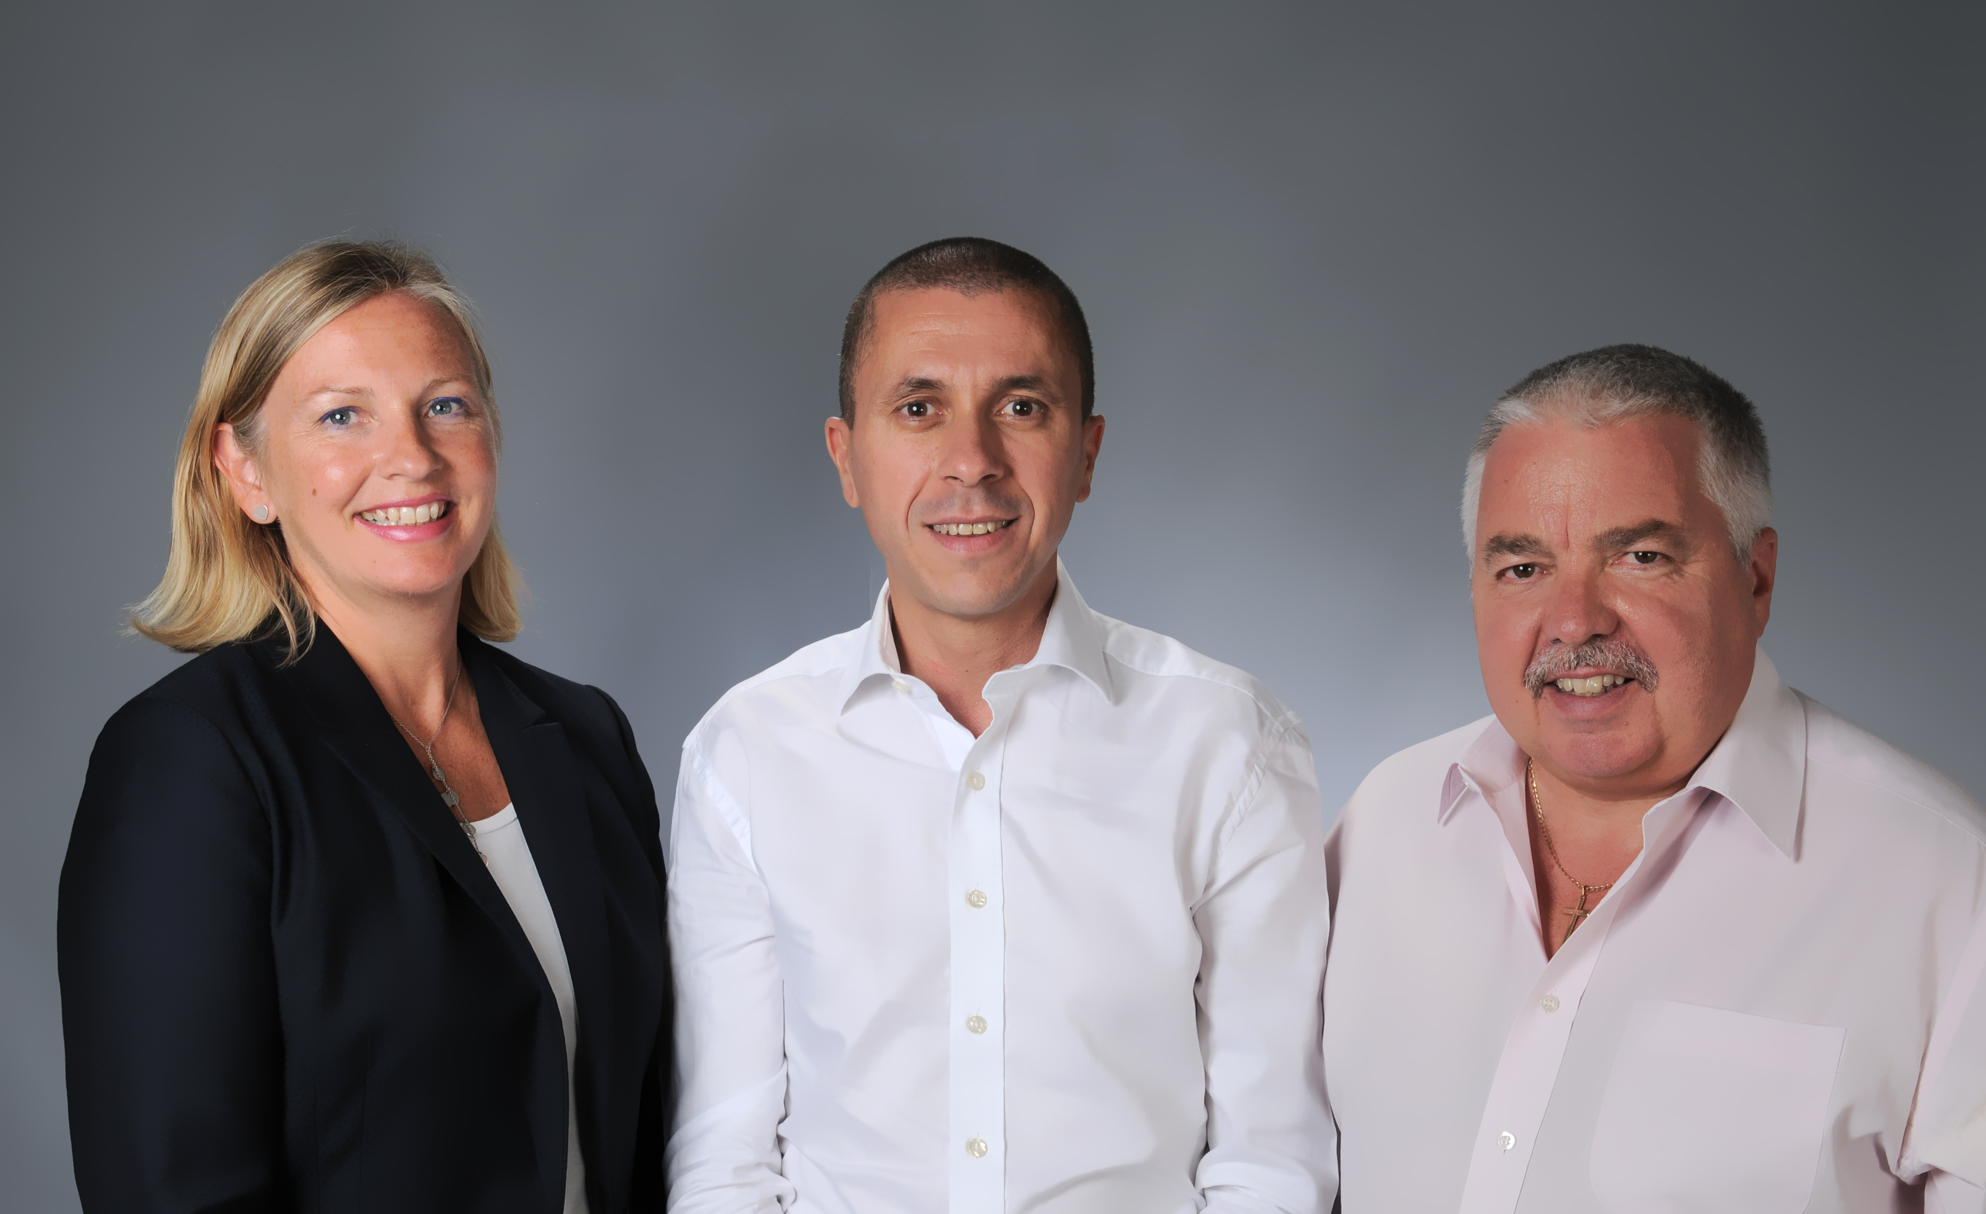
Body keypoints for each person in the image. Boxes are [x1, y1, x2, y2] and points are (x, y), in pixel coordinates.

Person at [665, 237, 1335, 1212]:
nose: (971, 462)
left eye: (1021, 408)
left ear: (1087, 454)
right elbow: (725, 1160)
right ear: (848, 458)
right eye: (918, 408)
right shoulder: (747, 753)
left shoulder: (1229, 744)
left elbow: (1271, 1158)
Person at [58, 240, 670, 1213]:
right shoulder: (191, 758)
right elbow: (170, 1186)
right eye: (344, 415)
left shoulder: (587, 738)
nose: (412, 456)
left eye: (446, 405)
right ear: (246, 471)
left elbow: (651, 1127)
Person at [1323, 344, 1986, 1211]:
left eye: (1639, 556)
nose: (1574, 621)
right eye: (1523, 568)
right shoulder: (1386, 822)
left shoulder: (1942, 883)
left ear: (1756, 578)